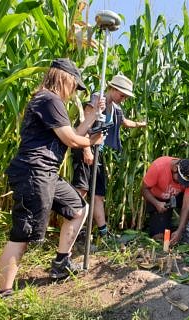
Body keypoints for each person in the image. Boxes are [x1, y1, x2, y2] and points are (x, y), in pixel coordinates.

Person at [0, 58, 105, 298]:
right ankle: (4, 292)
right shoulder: (49, 99)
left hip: (47, 173)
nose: (73, 92)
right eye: (74, 86)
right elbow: (72, 140)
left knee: (78, 208)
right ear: (64, 78)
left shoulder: (51, 102)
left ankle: (61, 263)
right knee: (23, 233)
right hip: (34, 171)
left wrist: (93, 115)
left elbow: (74, 133)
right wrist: (92, 142)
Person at [72, 74, 146, 239]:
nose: (124, 99)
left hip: (99, 150)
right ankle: (73, 230)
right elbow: (85, 122)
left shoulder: (115, 108)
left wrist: (140, 124)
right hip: (86, 147)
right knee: (82, 189)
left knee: (98, 194)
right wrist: (86, 150)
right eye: (122, 95)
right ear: (113, 89)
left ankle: (104, 233)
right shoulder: (98, 99)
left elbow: (124, 122)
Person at [141, 156, 189, 245]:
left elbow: (186, 205)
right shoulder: (158, 166)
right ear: (175, 168)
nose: (181, 184)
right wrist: (157, 203)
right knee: (159, 238)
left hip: (178, 196)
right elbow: (144, 189)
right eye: (180, 180)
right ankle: (168, 227)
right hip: (159, 199)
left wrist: (180, 231)